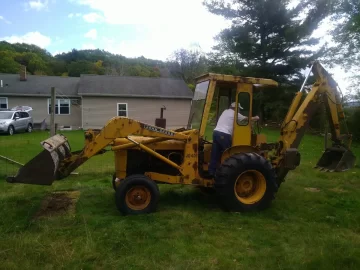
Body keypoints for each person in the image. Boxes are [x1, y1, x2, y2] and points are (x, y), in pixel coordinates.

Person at [208, 102, 260, 177]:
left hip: (216, 133)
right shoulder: (235, 114)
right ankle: (227, 173)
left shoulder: (225, 111)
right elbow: (248, 119)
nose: (239, 110)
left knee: (215, 153)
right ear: (236, 108)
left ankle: (211, 172)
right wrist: (256, 118)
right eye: (238, 109)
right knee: (230, 155)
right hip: (224, 134)